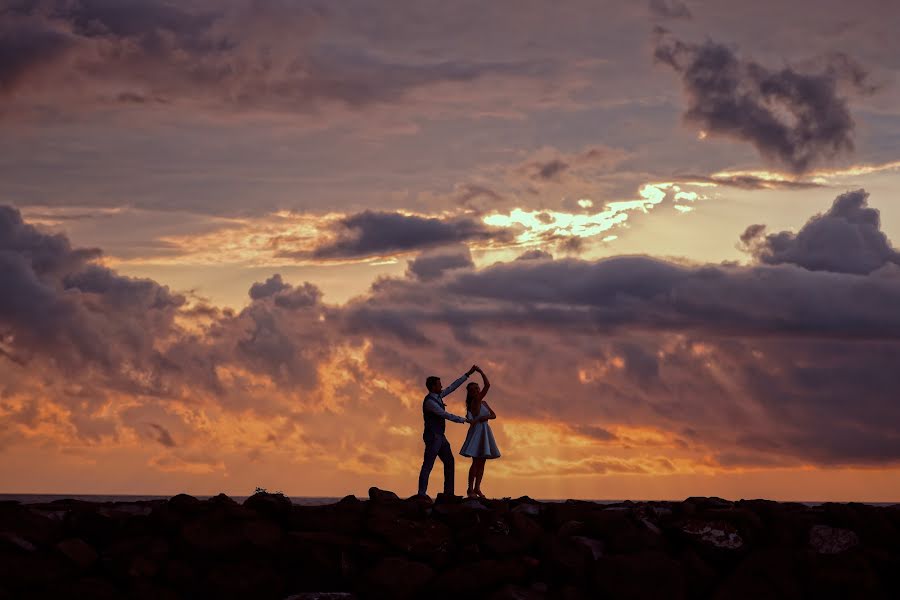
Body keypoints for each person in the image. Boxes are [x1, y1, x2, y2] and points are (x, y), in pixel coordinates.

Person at [417, 365, 477, 499]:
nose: (441, 386)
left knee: (449, 461)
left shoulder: (438, 397)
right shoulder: (429, 402)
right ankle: (421, 494)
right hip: (433, 436)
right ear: (433, 387)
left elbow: (452, 387)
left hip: (441, 437)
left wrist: (468, 374)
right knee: (428, 464)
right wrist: (464, 420)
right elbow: (445, 414)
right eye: (439, 384)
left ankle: (448, 493)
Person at [460, 366, 500, 498]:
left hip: (485, 430)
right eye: (474, 389)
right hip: (477, 432)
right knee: (476, 462)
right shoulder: (474, 401)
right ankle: (470, 489)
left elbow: (494, 415)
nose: (477, 390)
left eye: (477, 388)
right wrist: (481, 372)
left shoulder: (484, 402)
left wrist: (485, 417)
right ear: (470, 393)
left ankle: (477, 488)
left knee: (482, 463)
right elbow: (487, 385)